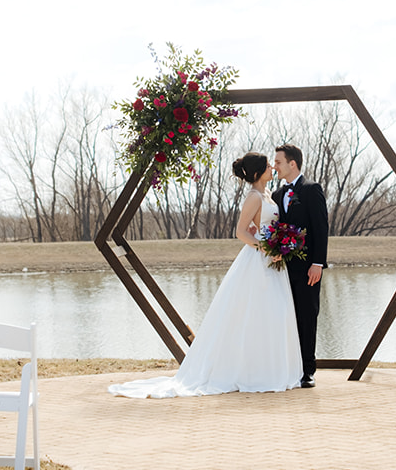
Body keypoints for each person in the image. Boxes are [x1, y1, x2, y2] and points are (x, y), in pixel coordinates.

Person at [108, 152, 303, 398]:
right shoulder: (254, 197)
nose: (271, 168)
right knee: (255, 313)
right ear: (256, 173)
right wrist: (265, 247)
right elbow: (241, 232)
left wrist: (281, 245)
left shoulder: (269, 196)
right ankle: (250, 372)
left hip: (274, 264)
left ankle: (272, 369)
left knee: (274, 313)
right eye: (267, 166)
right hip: (257, 262)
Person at [273, 143, 329, 388]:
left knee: (307, 317)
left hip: (308, 269)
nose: (274, 166)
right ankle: (288, 366)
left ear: (292, 163)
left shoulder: (311, 190)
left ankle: (307, 370)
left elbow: (321, 228)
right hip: (282, 271)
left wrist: (317, 263)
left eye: (278, 162)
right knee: (287, 318)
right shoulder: (277, 195)